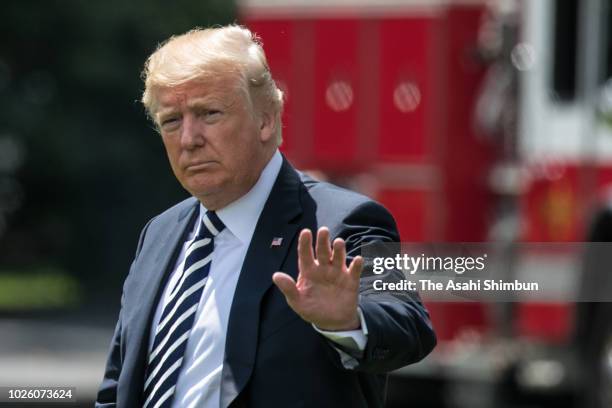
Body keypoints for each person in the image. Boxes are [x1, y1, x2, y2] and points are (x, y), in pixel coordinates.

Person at [96, 25, 436, 408]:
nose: (188, 138)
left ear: (265, 120)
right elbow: (118, 386)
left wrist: (347, 321)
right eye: (171, 121)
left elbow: (409, 327)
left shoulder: (343, 220)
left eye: (209, 113)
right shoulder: (159, 233)